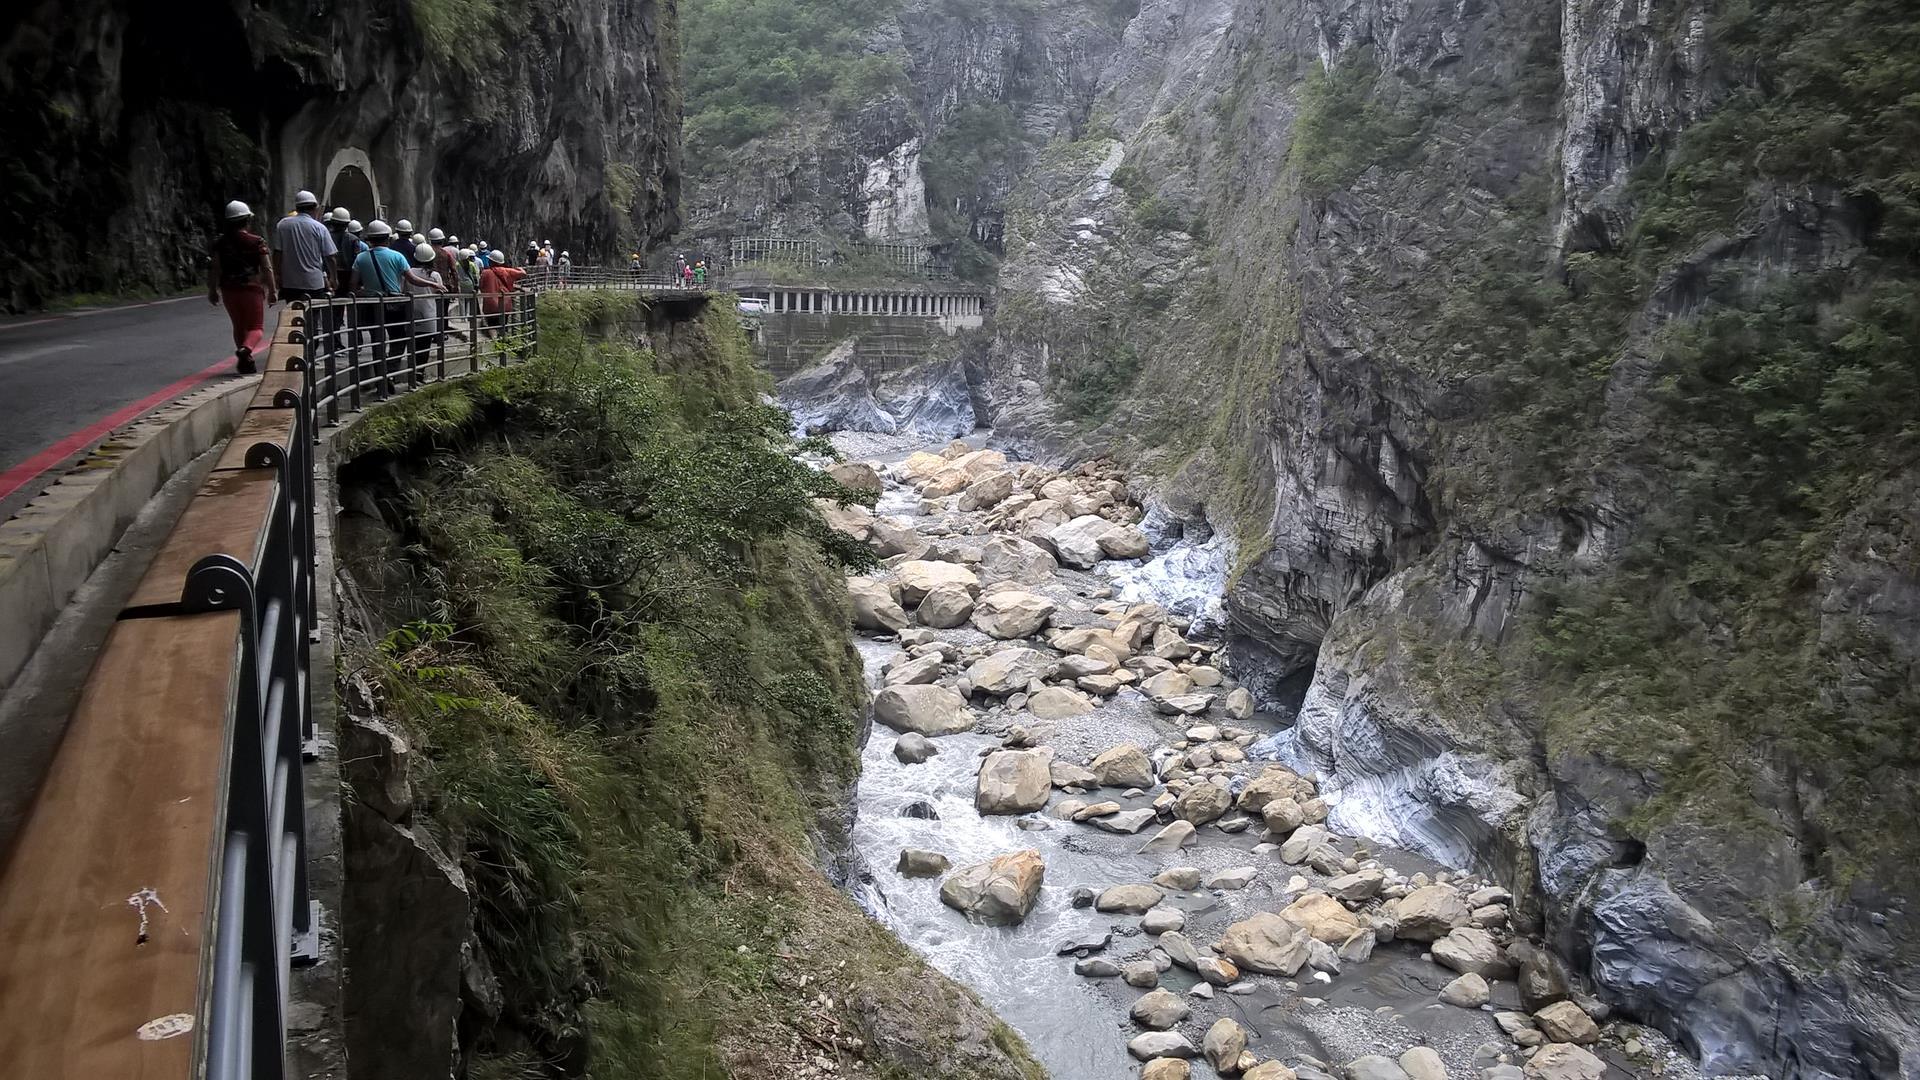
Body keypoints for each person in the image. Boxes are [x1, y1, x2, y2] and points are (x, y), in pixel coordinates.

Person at [352, 220, 444, 394]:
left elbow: (353, 285)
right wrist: (435, 285)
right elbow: (412, 279)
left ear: (370, 239)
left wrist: (364, 292)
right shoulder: (396, 257)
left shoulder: (361, 257)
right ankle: (390, 372)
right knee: (398, 340)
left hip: (371, 305)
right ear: (387, 238)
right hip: (394, 303)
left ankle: (380, 377)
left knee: (376, 342)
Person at [208, 200, 276, 373]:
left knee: (239, 325)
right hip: (251, 288)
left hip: (229, 289)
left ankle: (246, 360)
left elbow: (215, 267)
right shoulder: (256, 241)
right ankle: (246, 350)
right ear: (247, 220)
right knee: (256, 328)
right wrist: (272, 290)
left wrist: (212, 289)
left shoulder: (219, 243)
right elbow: (267, 267)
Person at [273, 189, 336, 306]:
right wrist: (333, 278)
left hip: (290, 283)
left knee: (294, 315)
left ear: (297, 208)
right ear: (315, 208)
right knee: (313, 315)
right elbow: (330, 257)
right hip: (314, 283)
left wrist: (277, 275)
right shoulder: (319, 228)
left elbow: (277, 253)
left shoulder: (283, 225)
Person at [405, 242, 447, 377]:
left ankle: (412, 372)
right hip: (428, 313)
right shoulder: (434, 275)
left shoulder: (408, 272)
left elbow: (403, 290)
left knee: (412, 346)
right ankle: (419, 373)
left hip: (410, 313)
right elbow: (439, 291)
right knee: (425, 347)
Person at [478, 249, 528, 338]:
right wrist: (519, 268)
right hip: (506, 304)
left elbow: (481, 287)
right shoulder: (507, 271)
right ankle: (503, 342)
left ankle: (495, 342)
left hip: (490, 305)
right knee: (503, 324)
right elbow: (523, 274)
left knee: (492, 325)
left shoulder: (485, 273)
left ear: (491, 261)